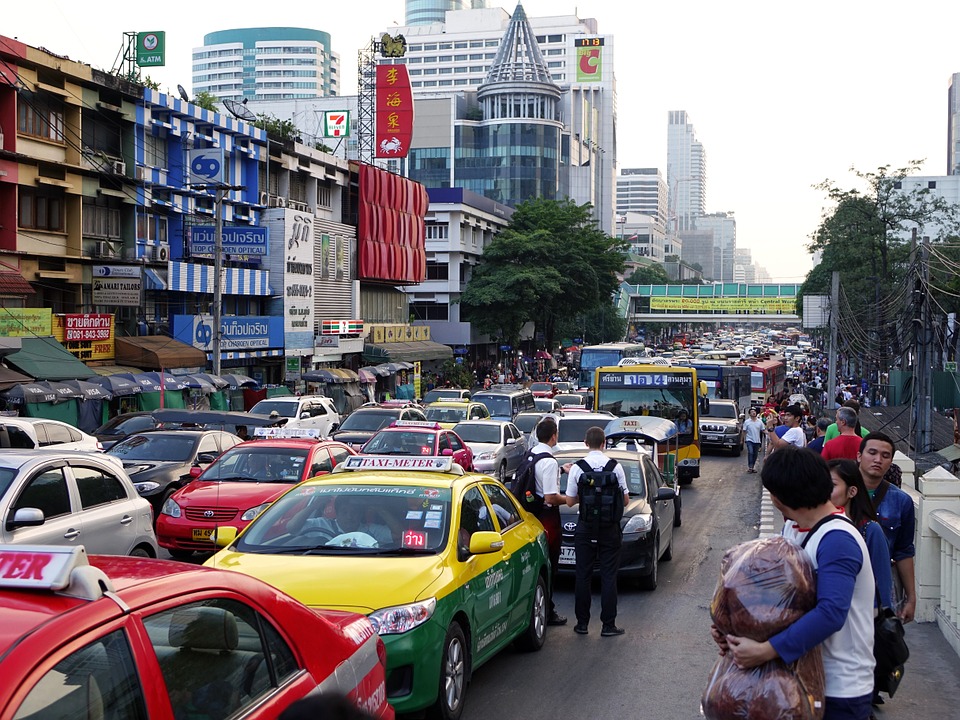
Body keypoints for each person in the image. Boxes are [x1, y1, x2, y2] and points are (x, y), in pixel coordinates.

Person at [714, 445, 876, 720]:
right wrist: (733, 632)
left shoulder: (837, 540)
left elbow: (831, 613)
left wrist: (766, 650)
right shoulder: (792, 529)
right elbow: (771, 598)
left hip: (837, 689)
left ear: (779, 497)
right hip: (792, 677)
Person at [564, 426, 630, 637]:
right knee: (609, 575)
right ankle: (608, 625)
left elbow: (570, 501)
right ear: (604, 443)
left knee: (582, 574)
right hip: (610, 528)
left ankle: (582, 623)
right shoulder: (615, 467)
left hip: (585, 527)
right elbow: (626, 499)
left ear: (585, 443)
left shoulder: (577, 468)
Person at [857, 433, 916, 624]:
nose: (877, 460)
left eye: (885, 455)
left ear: (891, 461)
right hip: (844, 579)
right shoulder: (839, 492)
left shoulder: (901, 501)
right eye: (872, 453)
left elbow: (904, 551)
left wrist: (911, 597)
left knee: (882, 644)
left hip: (882, 585)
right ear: (859, 456)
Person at [827, 459, 893, 609]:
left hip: (862, 620)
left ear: (852, 491)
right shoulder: (819, 527)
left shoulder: (870, 530)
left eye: (832, 485)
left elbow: (883, 583)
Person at [529, 417, 568, 626]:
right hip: (548, 518)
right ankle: (548, 610)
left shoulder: (533, 454)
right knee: (550, 565)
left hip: (533, 515)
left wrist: (562, 470)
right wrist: (571, 499)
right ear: (554, 436)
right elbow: (551, 497)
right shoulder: (550, 461)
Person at [743, 407, 764, 473]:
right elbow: (744, 431)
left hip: (757, 440)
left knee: (755, 454)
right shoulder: (747, 422)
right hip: (749, 440)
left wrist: (769, 433)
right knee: (750, 452)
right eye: (752, 411)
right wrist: (742, 439)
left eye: (754, 411)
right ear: (749, 414)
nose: (753, 412)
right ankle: (750, 467)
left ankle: (753, 466)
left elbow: (763, 429)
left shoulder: (759, 421)